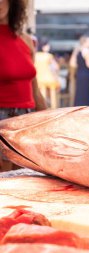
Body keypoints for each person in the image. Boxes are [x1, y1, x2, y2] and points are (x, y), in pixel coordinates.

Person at [0, 0, 47, 171]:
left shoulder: (26, 40)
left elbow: (34, 90)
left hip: (27, 121)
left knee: (25, 181)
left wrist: (49, 121)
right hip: (2, 121)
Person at [70, 35, 89, 106]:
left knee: (80, 93)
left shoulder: (77, 50)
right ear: (85, 42)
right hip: (87, 74)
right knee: (86, 93)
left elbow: (72, 64)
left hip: (79, 73)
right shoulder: (87, 51)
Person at [35, 38, 61, 109]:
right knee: (57, 84)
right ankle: (53, 105)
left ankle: (45, 103)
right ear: (43, 47)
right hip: (49, 80)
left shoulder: (35, 55)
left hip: (38, 80)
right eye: (47, 45)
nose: (49, 47)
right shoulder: (48, 56)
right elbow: (56, 67)